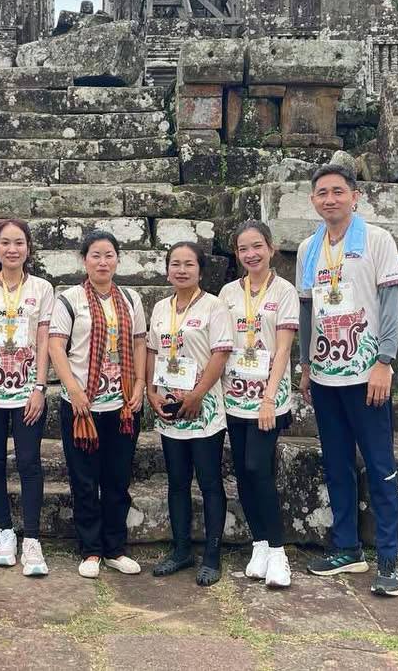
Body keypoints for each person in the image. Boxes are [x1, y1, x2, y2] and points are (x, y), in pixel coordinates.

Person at [296, 164, 398, 598]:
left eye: (338, 191)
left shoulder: (377, 240)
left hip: (366, 373)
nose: (330, 199)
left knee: (380, 466)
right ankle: (346, 548)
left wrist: (385, 361)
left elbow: (391, 303)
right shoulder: (309, 248)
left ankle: (388, 558)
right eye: (322, 193)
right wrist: (305, 365)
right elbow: (307, 309)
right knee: (336, 463)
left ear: (355, 196)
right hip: (326, 374)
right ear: (313, 200)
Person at [49, 230, 147, 579]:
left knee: (117, 479)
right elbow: (56, 346)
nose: (102, 262)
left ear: (118, 259)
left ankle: (115, 548)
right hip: (82, 407)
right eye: (95, 255)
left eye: (109, 255)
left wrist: (140, 383)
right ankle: (90, 549)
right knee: (85, 480)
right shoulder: (70, 299)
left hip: (122, 406)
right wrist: (73, 390)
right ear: (84, 260)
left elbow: (139, 343)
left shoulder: (131, 299)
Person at [0, 219, 55, 577]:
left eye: (19, 242)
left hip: (27, 391)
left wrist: (40, 387)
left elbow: (44, 341)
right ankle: (5, 532)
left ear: (28, 248)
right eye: (5, 242)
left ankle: (31, 538)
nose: (12, 249)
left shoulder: (42, 288)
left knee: (29, 462)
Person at [147, 242, 232, 586]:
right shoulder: (160, 308)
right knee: (177, 481)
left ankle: (212, 555)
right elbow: (152, 351)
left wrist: (198, 394)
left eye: (189, 264)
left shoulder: (214, 306)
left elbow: (220, 354)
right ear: (167, 270)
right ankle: (181, 549)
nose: (181, 270)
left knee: (209, 481)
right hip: (170, 407)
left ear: (200, 270)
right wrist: (151, 392)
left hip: (204, 408)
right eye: (175, 264)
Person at [218, 220, 298, 588]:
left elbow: (283, 349)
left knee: (258, 468)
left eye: (257, 246)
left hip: (268, 400)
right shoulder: (227, 293)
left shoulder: (284, 291)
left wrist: (268, 398)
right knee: (243, 472)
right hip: (235, 396)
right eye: (243, 249)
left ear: (270, 248)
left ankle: (279, 552)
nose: (251, 254)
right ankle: (260, 544)